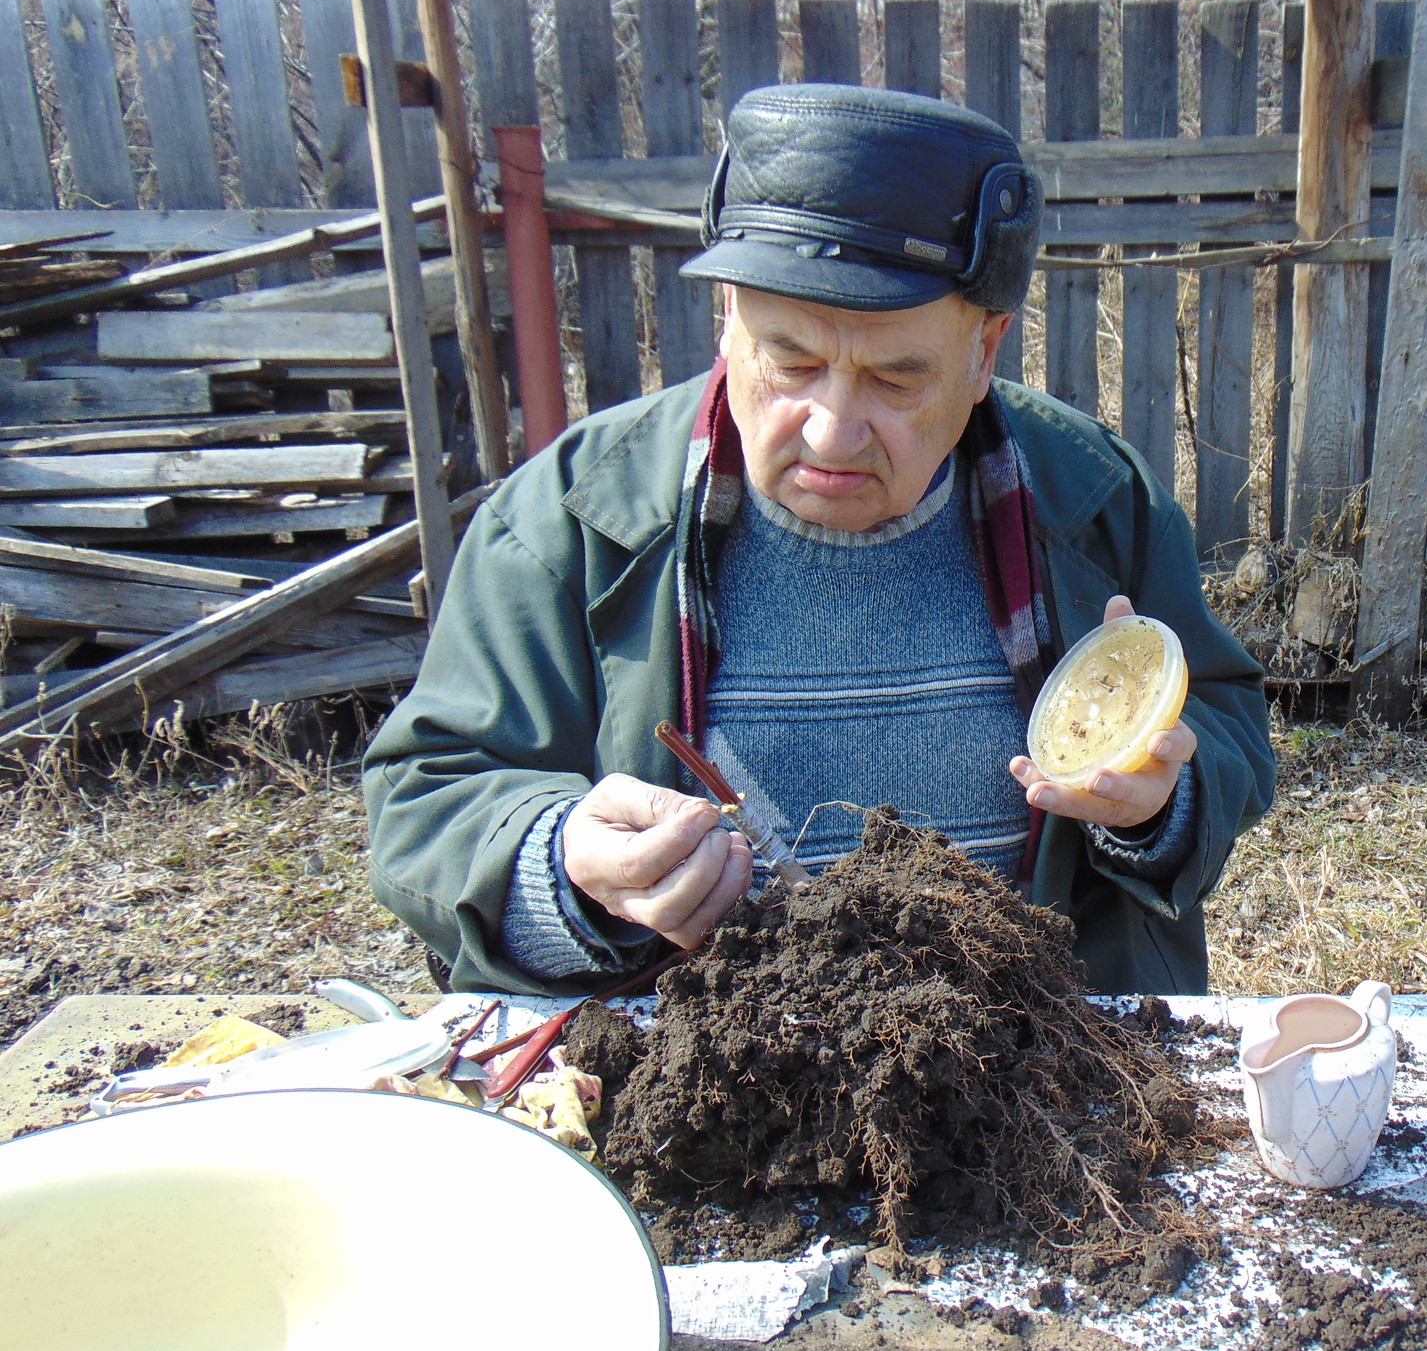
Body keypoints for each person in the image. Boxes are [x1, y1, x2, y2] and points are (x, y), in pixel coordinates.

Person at [363, 84, 1275, 997]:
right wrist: (562, 865)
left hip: (1032, 1081)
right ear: (729, 312)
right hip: (701, 1090)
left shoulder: (1094, 499)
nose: (833, 431)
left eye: (897, 378)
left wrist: (1156, 807)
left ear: (984, 350)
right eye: (791, 362)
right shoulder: (566, 525)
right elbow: (427, 799)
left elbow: (1227, 731)